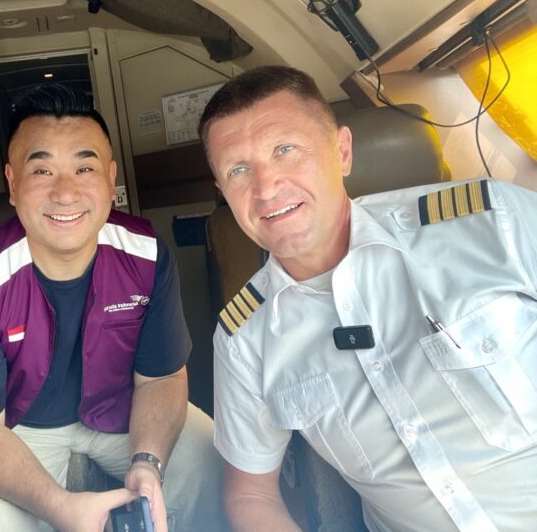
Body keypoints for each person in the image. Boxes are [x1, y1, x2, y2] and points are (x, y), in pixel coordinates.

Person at [198, 65, 537, 532]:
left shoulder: (492, 222)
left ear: (342, 152)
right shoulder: (243, 338)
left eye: (286, 150)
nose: (266, 187)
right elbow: (251, 492)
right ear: (223, 192)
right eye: (238, 170)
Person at [0, 84, 225, 532]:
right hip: (12, 432)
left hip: (123, 413)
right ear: (12, 184)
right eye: (42, 171)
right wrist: (58, 506)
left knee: (212, 459)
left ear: (110, 179)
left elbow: (162, 377)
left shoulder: (146, 255)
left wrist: (148, 461)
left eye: (83, 168)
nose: (65, 193)